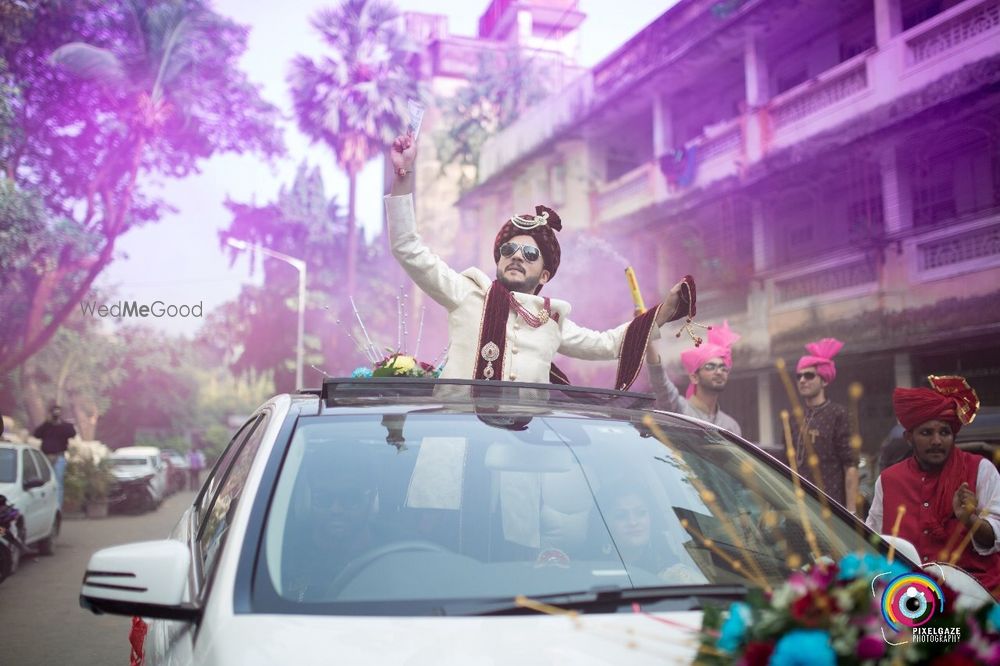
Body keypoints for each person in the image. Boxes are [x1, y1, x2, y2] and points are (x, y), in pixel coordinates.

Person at [385, 131, 696, 390]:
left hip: (521, 453)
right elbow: (407, 248)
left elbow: (609, 344)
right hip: (455, 448)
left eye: (530, 254)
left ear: (545, 275)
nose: (517, 256)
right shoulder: (467, 292)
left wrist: (664, 312)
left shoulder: (552, 319)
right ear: (498, 260)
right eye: (508, 250)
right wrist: (403, 174)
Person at [866, 376, 1000, 596]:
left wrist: (970, 520)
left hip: (977, 597)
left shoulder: (981, 470)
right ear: (909, 438)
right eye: (927, 433)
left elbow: (996, 538)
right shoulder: (889, 480)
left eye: (944, 432)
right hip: (909, 598)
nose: (937, 441)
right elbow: (873, 541)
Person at [790, 338, 859, 515]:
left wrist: (851, 511)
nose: (802, 380)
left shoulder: (839, 414)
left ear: (824, 381)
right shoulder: (793, 418)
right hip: (797, 506)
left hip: (829, 506)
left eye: (809, 375)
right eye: (799, 376)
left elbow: (850, 465)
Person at [644, 319, 742, 435]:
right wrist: (648, 341)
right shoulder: (679, 409)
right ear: (694, 377)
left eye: (723, 368)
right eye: (710, 366)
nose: (719, 372)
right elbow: (660, 383)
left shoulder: (731, 427)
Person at [604, 486, 704, 584]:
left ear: (651, 519)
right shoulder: (593, 571)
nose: (633, 522)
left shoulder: (678, 577)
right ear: (605, 523)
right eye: (621, 516)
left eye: (641, 513)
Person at [33, 403, 76, 507]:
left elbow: (72, 433)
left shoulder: (65, 426)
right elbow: (36, 434)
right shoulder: (46, 426)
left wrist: (61, 423)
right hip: (46, 457)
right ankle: (45, 507)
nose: (55, 415)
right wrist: (47, 423)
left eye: (57, 412)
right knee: (44, 483)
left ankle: (57, 508)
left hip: (59, 457)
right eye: (54, 412)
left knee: (58, 483)